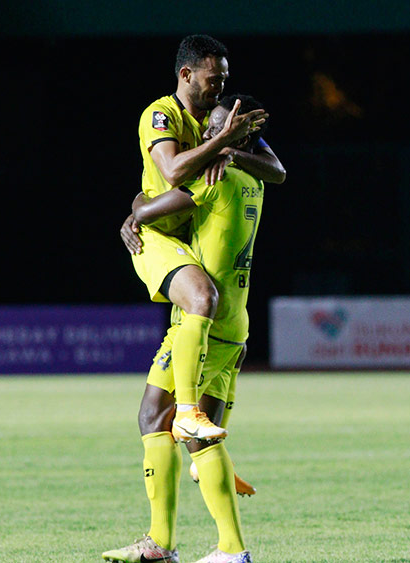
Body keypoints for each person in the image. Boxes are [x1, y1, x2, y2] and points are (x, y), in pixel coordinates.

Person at [104, 95, 273, 563]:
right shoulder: (255, 180)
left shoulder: (214, 178)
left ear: (233, 136)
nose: (205, 136)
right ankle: (167, 543)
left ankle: (226, 550)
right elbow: (274, 168)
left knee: (170, 422)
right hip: (233, 323)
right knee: (176, 427)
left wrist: (135, 208)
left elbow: (150, 210)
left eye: (216, 129)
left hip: (203, 325)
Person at [124, 34, 277, 444]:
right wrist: (223, 142)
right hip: (155, 234)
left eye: (224, 79)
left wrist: (231, 150)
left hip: (188, 239)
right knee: (203, 299)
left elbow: (276, 169)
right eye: (213, 79)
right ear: (186, 74)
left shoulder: (222, 116)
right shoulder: (161, 115)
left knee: (219, 335)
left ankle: (204, 452)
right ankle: (190, 414)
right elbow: (172, 173)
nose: (220, 87)